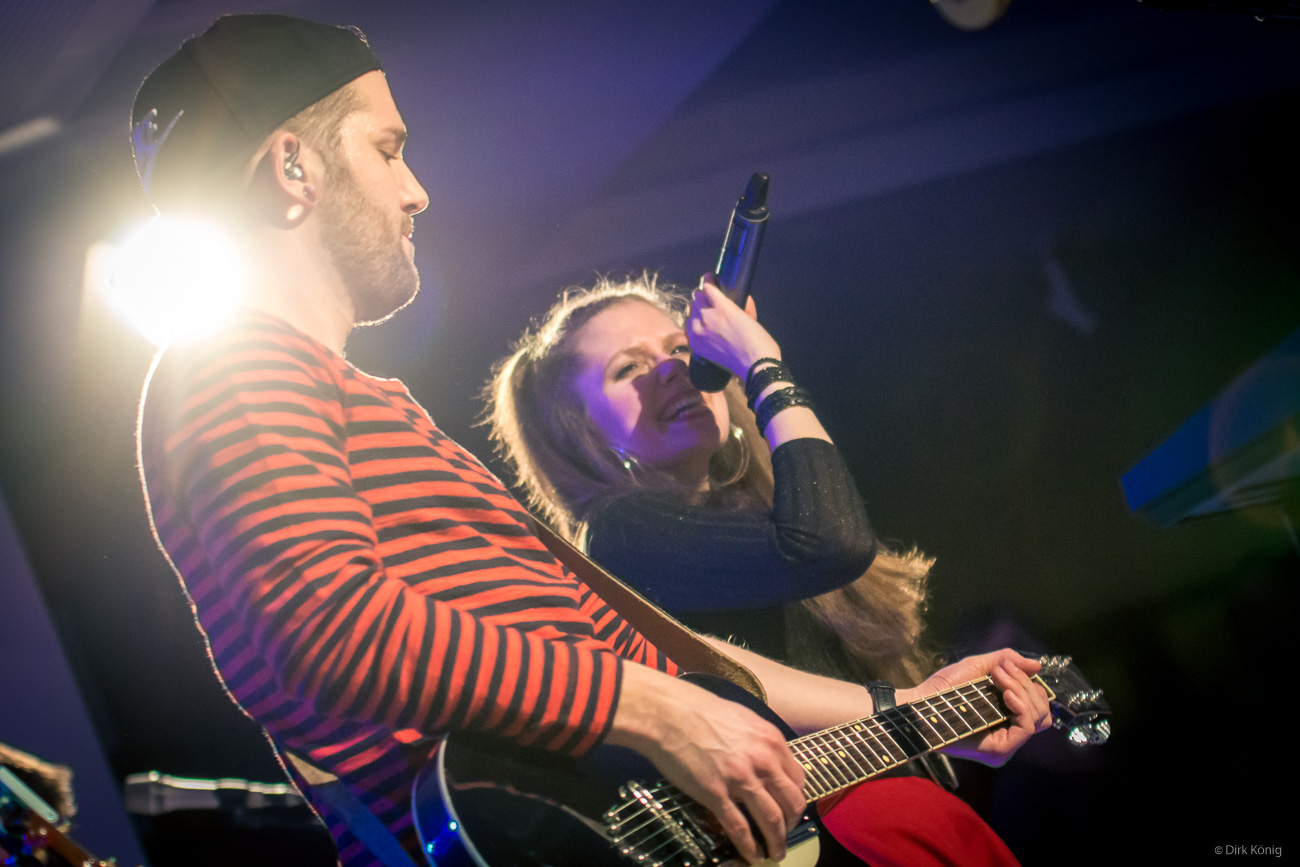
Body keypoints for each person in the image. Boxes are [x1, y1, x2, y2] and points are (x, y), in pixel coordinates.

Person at [131, 14, 1052, 867]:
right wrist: (651, 710)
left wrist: (904, 709)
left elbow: (641, 651)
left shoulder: (363, 405)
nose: (416, 191)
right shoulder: (235, 362)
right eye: (387, 148)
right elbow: (329, 627)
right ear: (294, 167)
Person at [485, 274, 1024, 865]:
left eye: (680, 348)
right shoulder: (618, 532)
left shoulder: (752, 516)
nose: (672, 370)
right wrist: (765, 368)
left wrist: (936, 716)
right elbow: (828, 544)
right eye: (628, 368)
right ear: (582, 432)